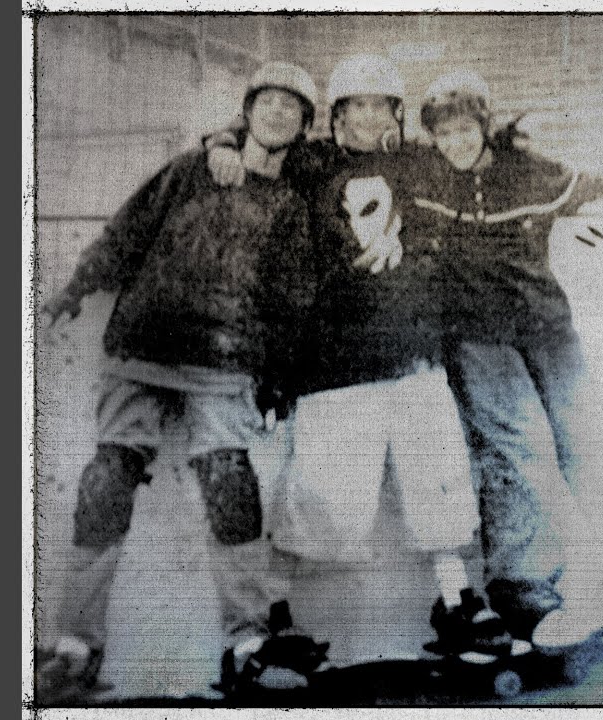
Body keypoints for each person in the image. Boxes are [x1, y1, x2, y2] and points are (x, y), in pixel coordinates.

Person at [204, 54, 521, 663]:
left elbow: (474, 150)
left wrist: (506, 137)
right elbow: (262, 134)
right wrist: (221, 140)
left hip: (413, 354)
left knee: (440, 484)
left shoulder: (417, 162)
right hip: (335, 364)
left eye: (381, 106)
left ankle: (456, 600)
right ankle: (274, 610)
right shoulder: (311, 163)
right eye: (357, 106)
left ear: (396, 114)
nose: (369, 117)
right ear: (338, 114)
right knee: (324, 501)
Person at [35, 61, 329, 702]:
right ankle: (74, 645)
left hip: (223, 361)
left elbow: (291, 298)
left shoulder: (289, 202)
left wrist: (278, 378)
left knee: (230, 480)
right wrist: (74, 290)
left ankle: (246, 644)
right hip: (143, 345)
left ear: (305, 125)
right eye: (268, 101)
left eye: (292, 107)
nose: (277, 112)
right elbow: (126, 232)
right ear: (246, 111)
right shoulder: (191, 168)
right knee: (108, 477)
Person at [405, 69, 603, 648]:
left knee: (590, 447)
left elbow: (599, 185)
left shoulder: (528, 170)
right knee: (516, 450)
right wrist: (227, 142)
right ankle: (523, 591)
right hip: (479, 340)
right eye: (443, 133)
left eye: (465, 129)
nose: (455, 143)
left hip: (547, 330)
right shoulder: (424, 176)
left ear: (484, 126)